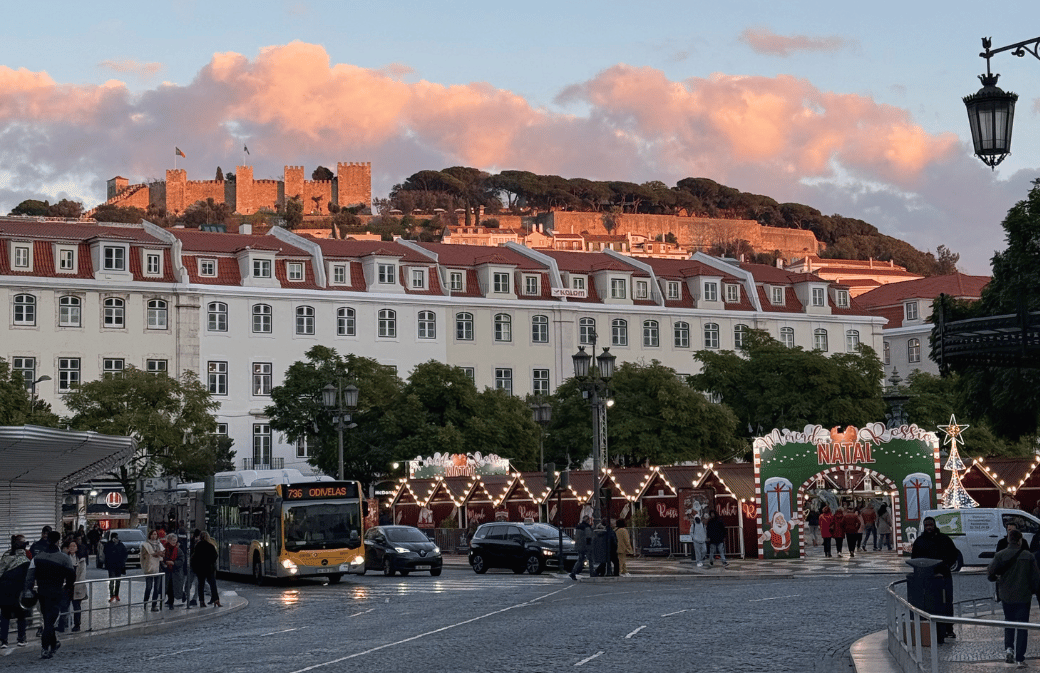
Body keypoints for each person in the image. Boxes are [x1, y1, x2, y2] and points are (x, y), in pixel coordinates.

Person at [989, 529, 1040, 667]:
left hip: (1006, 595)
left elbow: (990, 574)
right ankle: (1020, 658)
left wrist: (998, 578)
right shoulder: (1028, 556)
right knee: (1022, 626)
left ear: (1008, 540)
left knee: (1009, 622)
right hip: (1023, 596)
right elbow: (1036, 578)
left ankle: (1009, 649)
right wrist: (1033, 590)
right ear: (1020, 540)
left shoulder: (1000, 555)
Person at [24, 530, 75, 659]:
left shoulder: (38, 557)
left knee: (47, 619)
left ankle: (52, 644)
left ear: (47, 540)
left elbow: (30, 577)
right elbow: (71, 577)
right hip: (57, 592)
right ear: (58, 541)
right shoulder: (64, 558)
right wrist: (67, 589)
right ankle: (46, 647)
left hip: (42, 592)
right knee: (49, 621)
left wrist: (28, 590)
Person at [911, 516, 959, 642]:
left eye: (930, 525)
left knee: (947, 602)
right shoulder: (920, 541)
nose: (929, 527)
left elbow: (954, 554)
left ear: (934, 525)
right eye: (926, 525)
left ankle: (949, 628)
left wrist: (946, 566)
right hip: (927, 579)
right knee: (929, 603)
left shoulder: (944, 539)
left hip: (944, 577)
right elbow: (915, 559)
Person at [0, 535, 31, 650]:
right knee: (21, 616)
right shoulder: (25, 560)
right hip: (19, 592)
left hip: (5, 591)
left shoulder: (6, 557)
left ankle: (3, 641)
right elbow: (29, 579)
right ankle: (21, 639)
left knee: (5, 616)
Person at [190, 532, 220, 607]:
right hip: (209, 568)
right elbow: (215, 556)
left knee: (201, 585)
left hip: (200, 568)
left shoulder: (198, 546)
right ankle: (216, 599)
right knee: (213, 584)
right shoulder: (211, 546)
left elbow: (194, 557)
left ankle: (201, 601)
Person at [140, 530, 164, 612]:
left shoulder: (159, 544)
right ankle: (145, 603)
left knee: (156, 588)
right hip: (149, 568)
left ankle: (154, 605)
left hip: (158, 568)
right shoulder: (145, 545)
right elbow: (145, 555)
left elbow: (162, 555)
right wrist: (155, 554)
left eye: (155, 534)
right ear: (150, 535)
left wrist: (161, 554)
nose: (154, 536)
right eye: (153, 534)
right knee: (149, 587)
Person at [103, 533, 128, 602]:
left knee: (118, 581)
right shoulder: (108, 544)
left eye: (117, 537)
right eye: (114, 538)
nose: (116, 539)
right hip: (111, 565)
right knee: (111, 581)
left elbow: (125, 553)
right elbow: (105, 552)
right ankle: (112, 595)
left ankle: (116, 594)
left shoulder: (121, 545)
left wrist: (123, 562)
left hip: (119, 566)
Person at [162, 533, 185, 608]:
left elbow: (182, 560)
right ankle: (169, 601)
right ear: (168, 540)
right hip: (167, 571)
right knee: (168, 587)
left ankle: (172, 602)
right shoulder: (164, 548)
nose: (174, 542)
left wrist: (174, 563)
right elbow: (162, 558)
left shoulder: (178, 550)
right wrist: (165, 563)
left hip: (175, 572)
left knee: (174, 587)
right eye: (172, 540)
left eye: (175, 540)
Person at [569, 516, 593, 580]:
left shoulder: (578, 527)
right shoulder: (587, 527)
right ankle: (592, 573)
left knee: (580, 559)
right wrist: (590, 546)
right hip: (585, 546)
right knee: (590, 559)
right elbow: (588, 537)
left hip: (578, 545)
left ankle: (573, 572)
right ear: (587, 520)